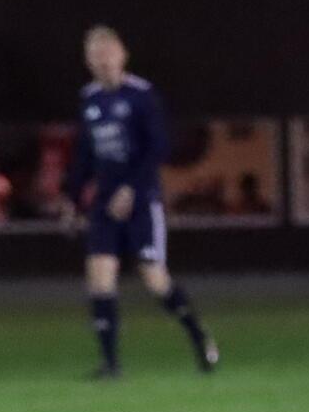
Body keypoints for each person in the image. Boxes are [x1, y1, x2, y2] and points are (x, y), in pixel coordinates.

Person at [61, 25, 218, 379]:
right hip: (104, 203)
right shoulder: (89, 100)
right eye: (95, 58)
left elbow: (158, 147)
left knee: (154, 279)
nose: (103, 64)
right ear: (88, 62)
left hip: (142, 200)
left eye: (108, 56)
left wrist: (132, 189)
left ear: (122, 55)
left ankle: (199, 337)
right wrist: (71, 199)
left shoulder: (142, 96)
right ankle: (111, 365)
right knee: (99, 278)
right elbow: (84, 155)